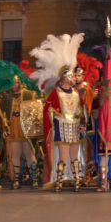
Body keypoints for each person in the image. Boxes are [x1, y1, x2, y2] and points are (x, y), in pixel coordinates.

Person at [30, 33, 85, 192]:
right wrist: (52, 127)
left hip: (74, 128)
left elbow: (81, 112)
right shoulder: (55, 94)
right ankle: (59, 181)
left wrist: (82, 124)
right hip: (61, 129)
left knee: (74, 157)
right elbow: (48, 112)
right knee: (62, 156)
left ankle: (76, 180)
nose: (73, 78)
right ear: (63, 78)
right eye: (70, 76)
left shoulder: (76, 94)